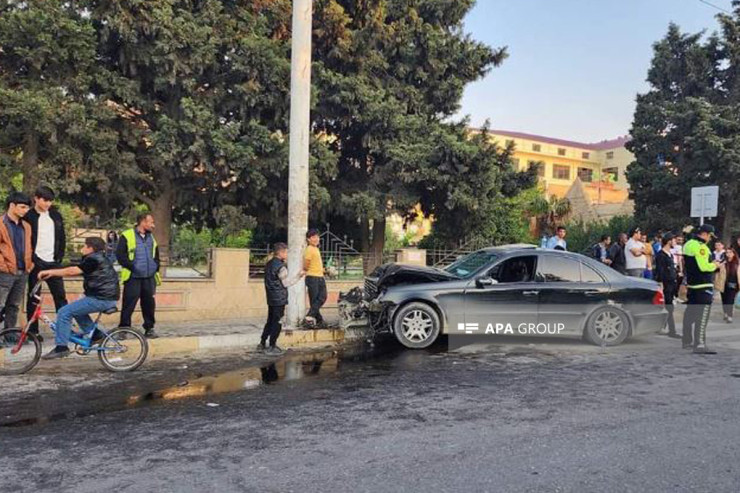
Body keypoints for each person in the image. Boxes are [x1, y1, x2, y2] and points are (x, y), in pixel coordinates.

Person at [39, 237, 119, 359]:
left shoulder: (93, 259)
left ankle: (61, 347)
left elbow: (72, 271)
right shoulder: (98, 258)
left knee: (64, 312)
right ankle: (96, 335)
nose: (82, 248)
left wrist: (51, 272)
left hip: (101, 298)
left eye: (84, 246)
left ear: (90, 248)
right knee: (75, 309)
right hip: (104, 297)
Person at [24, 186, 68, 341]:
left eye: (50, 201)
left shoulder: (55, 216)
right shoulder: (28, 216)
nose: (48, 203)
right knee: (34, 297)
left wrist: (59, 258)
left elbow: (62, 238)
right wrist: (32, 260)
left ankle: (64, 330)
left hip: (53, 263)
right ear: (36, 198)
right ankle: (33, 332)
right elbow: (26, 241)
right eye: (45, 200)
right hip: (36, 263)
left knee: (60, 297)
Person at [117, 213, 160, 338]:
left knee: (149, 304)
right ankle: (124, 329)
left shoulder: (151, 237)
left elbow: (155, 255)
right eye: (151, 222)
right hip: (133, 277)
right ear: (142, 222)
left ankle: (149, 328)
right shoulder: (127, 235)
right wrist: (133, 266)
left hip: (149, 277)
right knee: (128, 304)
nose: (153, 225)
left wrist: (154, 266)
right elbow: (121, 256)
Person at [682, 224, 721, 354]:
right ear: (704, 234)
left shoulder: (688, 244)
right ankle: (700, 344)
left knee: (689, 315)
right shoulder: (701, 247)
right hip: (703, 285)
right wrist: (715, 265)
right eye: (710, 236)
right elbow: (703, 267)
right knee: (702, 317)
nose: (710, 239)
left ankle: (687, 341)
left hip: (692, 286)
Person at [0, 192, 34, 342]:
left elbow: (29, 246)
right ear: (12, 205)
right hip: (5, 271)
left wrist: (30, 264)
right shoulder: (1, 223)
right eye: (22, 207)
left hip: (23, 271)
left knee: (13, 305)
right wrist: (4, 266)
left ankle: (9, 334)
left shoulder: (26, 226)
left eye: (27, 207)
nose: (25, 210)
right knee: (0, 304)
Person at [260, 243, 305, 354]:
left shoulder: (269, 264)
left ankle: (262, 342)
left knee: (270, 320)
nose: (287, 255)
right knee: (277, 322)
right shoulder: (281, 267)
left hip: (271, 297)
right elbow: (286, 283)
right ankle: (272, 345)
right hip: (279, 298)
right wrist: (299, 276)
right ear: (280, 252)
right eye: (286, 252)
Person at [655, 233, 680, 339]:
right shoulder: (661, 255)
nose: (675, 242)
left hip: (672, 283)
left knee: (670, 307)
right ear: (669, 241)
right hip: (666, 284)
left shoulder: (670, 254)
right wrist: (660, 284)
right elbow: (659, 271)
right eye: (674, 240)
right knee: (668, 307)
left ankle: (665, 327)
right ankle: (671, 330)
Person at [303, 229, 327, 327]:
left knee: (322, 297)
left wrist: (324, 270)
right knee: (315, 300)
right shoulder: (309, 249)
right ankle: (315, 319)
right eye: (313, 237)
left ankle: (313, 317)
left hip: (320, 277)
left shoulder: (316, 249)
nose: (316, 239)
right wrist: (306, 270)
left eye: (317, 236)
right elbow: (306, 265)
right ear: (308, 239)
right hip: (312, 277)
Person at [720, 248, 738, 323]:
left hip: (733, 283)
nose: (728, 254)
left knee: (730, 300)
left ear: (734, 253)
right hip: (723, 283)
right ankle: (725, 313)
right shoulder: (724, 262)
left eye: (730, 252)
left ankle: (730, 316)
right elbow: (716, 270)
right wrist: (721, 264)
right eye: (727, 252)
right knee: (724, 300)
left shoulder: (737, 263)